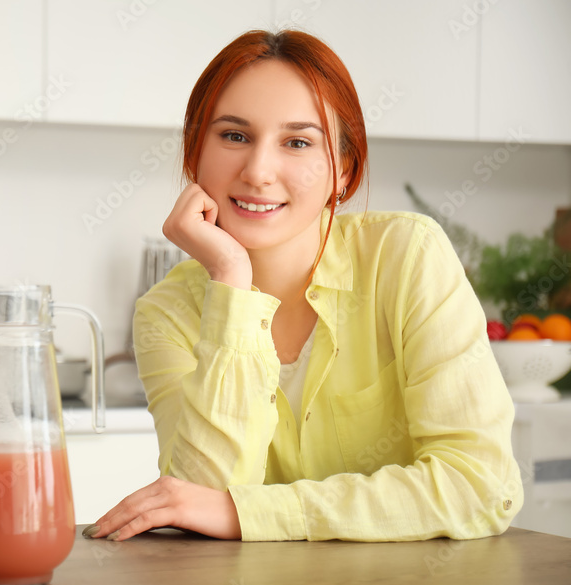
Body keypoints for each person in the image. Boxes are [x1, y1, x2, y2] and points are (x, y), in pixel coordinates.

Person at [82, 29, 523, 542]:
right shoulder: (167, 313)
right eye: (234, 136)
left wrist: (252, 514)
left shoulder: (406, 257)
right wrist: (231, 282)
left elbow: (480, 486)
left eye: (297, 142)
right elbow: (201, 499)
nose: (258, 172)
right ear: (193, 155)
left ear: (344, 171)